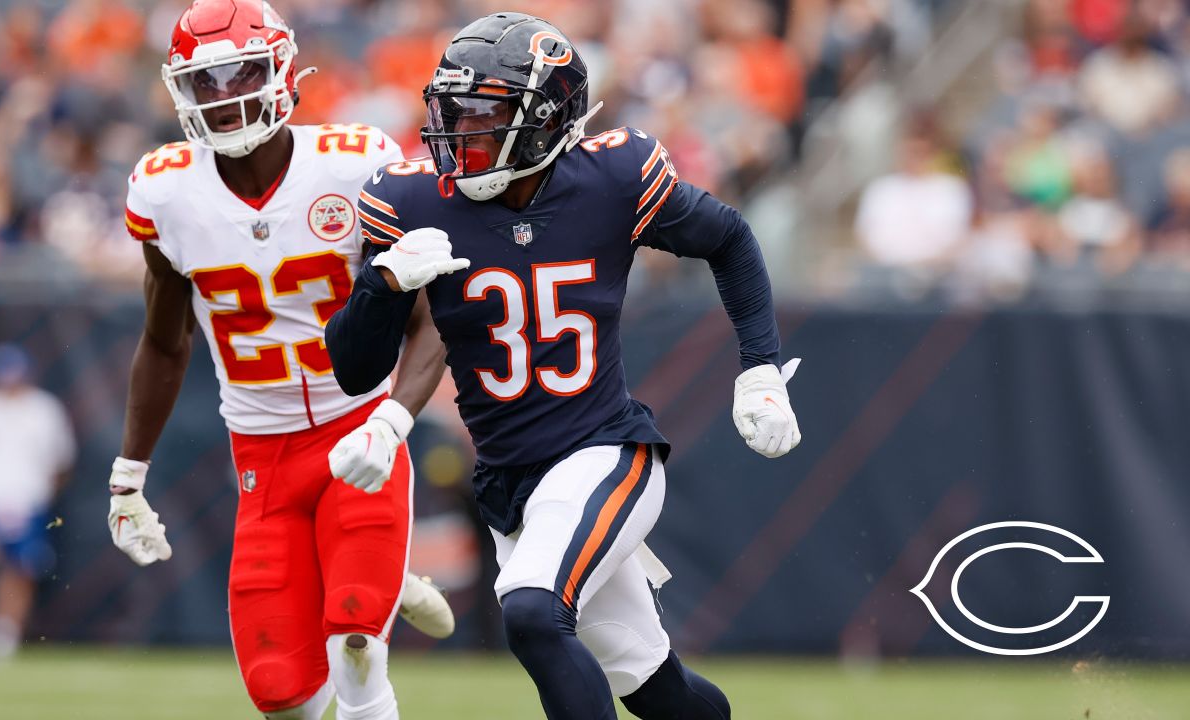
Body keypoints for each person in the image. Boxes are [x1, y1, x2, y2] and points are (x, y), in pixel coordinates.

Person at [328, 13, 801, 719]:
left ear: (546, 120)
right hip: (507, 477)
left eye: (483, 116)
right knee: (656, 690)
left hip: (604, 451)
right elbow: (353, 370)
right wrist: (381, 286)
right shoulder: (410, 197)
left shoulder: (613, 176)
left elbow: (728, 238)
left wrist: (759, 368)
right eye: (451, 112)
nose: (460, 134)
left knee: (531, 612)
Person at [108, 1, 453, 718]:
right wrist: (127, 475)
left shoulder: (359, 165)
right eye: (206, 81)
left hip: (354, 431)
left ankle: (366, 580)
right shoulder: (166, 191)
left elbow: (433, 317)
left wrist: (390, 422)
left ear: (284, 69)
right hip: (260, 457)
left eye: (241, 73)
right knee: (280, 695)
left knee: (356, 644)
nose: (227, 97)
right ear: (179, 91)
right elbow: (165, 340)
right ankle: (371, 573)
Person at [0, 344, 74, 660]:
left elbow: (61, 462)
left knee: (23, 570)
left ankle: (2, 633)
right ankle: (0, 613)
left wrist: (42, 493)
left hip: (28, 501)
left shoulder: (45, 409)